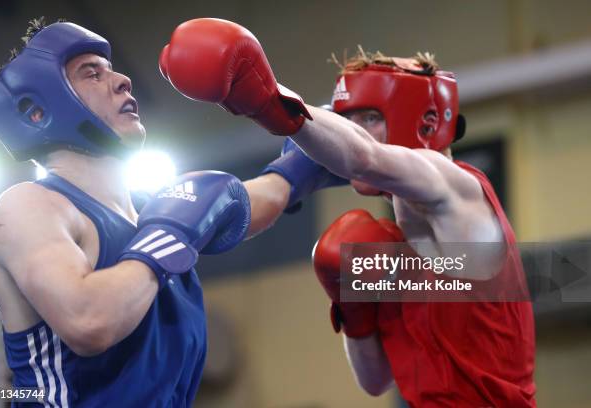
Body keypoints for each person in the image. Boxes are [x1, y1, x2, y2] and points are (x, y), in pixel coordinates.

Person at [158, 18, 537, 407]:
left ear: (425, 124)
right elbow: (374, 380)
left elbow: (363, 156)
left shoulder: (456, 188)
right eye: (348, 119)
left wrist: (266, 98)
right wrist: (352, 307)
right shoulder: (394, 249)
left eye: (370, 118)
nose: (357, 130)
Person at [0, 18, 259, 407]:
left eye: (111, 69)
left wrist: (285, 114)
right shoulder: (28, 206)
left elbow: (269, 192)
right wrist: (165, 240)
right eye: (92, 73)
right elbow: (87, 321)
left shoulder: (157, 212)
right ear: (36, 109)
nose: (123, 80)